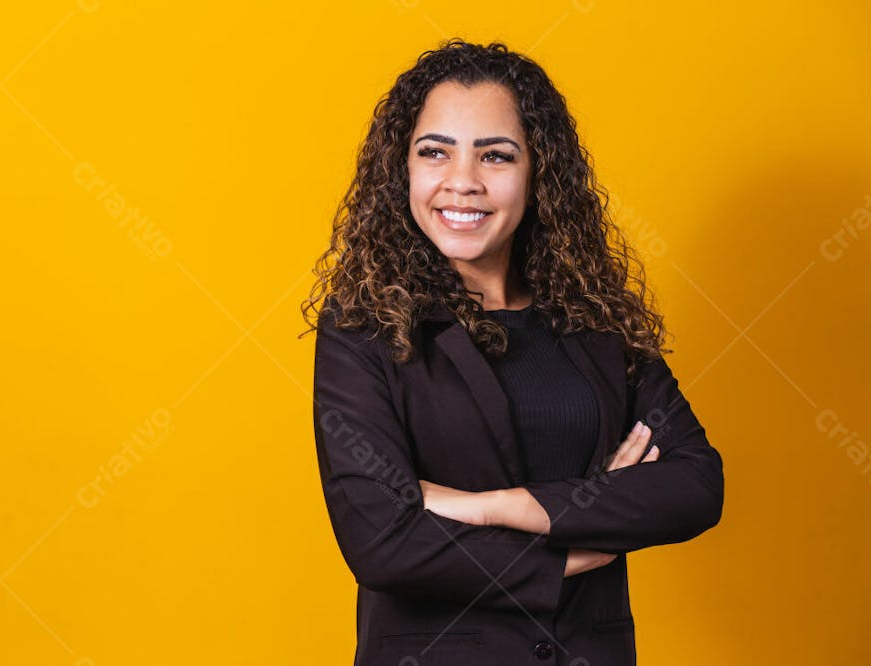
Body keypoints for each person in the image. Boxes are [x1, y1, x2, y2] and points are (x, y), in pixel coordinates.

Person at [300, 38, 724, 666]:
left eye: (495, 156)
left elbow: (695, 485)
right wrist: (581, 538)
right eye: (434, 152)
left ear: (538, 175)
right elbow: (381, 538)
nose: (462, 182)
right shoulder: (364, 328)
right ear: (403, 171)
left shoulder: (593, 318)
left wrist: (496, 507)